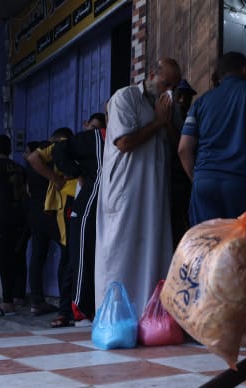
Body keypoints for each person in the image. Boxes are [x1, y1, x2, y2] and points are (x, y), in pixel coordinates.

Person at [97, 57, 181, 314]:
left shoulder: (166, 105)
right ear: (152, 75)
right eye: (166, 83)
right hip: (126, 189)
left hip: (153, 192)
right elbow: (123, 142)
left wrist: (166, 122)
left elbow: (176, 144)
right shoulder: (126, 97)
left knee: (152, 250)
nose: (169, 90)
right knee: (121, 252)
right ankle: (115, 317)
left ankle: (150, 315)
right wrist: (157, 122)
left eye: (173, 86)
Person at [179, 52, 246, 225]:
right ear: (245, 70)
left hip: (204, 183)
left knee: (205, 246)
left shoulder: (200, 103)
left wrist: (197, 179)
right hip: (242, 183)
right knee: (239, 246)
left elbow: (184, 148)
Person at [52, 114, 104, 320]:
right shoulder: (91, 140)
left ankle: (75, 309)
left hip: (90, 209)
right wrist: (75, 172)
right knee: (75, 260)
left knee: (79, 260)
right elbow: (52, 152)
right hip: (78, 209)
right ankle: (71, 309)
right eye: (91, 127)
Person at [27, 128, 77, 328]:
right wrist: (55, 179)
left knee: (66, 256)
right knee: (68, 256)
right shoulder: (61, 146)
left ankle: (67, 308)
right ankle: (66, 310)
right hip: (65, 205)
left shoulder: (70, 147)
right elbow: (34, 158)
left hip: (65, 206)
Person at [0, 134, 28, 315]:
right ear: (10, 149)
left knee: (2, 257)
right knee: (18, 256)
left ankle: (7, 300)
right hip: (21, 216)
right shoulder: (18, 166)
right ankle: (19, 296)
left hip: (4, 217)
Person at [24, 141, 58, 317]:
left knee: (37, 257)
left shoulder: (30, 169)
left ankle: (36, 301)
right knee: (68, 255)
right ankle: (69, 300)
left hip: (36, 214)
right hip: (53, 214)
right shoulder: (53, 166)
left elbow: (28, 190)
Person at [168, 79, 197, 247]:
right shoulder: (175, 114)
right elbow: (179, 146)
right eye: (181, 96)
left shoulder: (188, 114)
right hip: (175, 175)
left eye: (187, 97)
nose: (184, 100)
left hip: (185, 176)